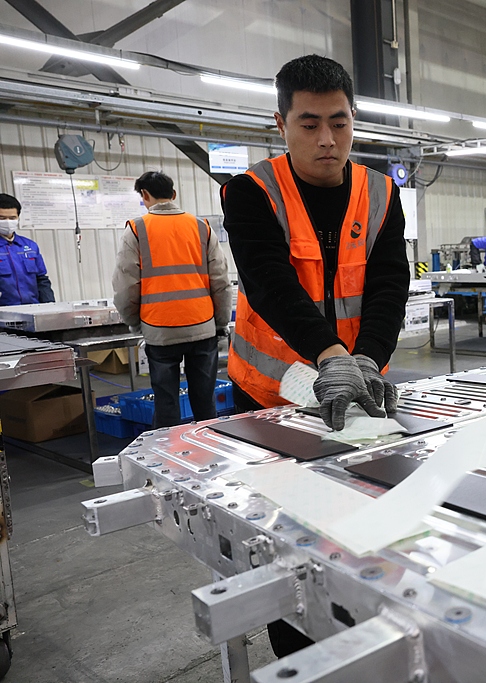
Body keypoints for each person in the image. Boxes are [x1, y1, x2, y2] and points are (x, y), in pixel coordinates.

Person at [220, 54, 409, 657]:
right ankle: (295, 646)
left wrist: (368, 359)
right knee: (282, 526)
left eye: (339, 122)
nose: (328, 139)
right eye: (309, 124)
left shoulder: (381, 192)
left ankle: (364, 630)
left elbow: (389, 283)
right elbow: (269, 282)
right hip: (271, 389)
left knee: (359, 511)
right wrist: (330, 355)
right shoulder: (251, 192)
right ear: (281, 124)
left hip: (357, 389)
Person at [113, 172, 232, 428]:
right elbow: (221, 280)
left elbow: (125, 285)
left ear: (144, 195)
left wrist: (134, 322)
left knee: (166, 404)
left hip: (159, 329)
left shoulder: (137, 229)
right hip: (202, 327)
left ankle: (168, 449)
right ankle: (210, 447)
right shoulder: (201, 227)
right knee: (205, 402)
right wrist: (221, 322)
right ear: (174, 194)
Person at [0, 194, 55, 306]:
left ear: (18, 218)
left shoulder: (30, 246)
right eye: (2, 218)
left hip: (32, 308)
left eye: (12, 218)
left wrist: (49, 306)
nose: (8, 222)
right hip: (4, 311)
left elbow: (41, 280)